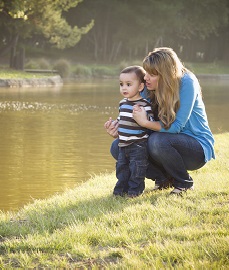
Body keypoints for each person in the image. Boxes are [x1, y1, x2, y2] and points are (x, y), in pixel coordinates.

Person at [105, 47, 215, 195]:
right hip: (162, 142)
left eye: (152, 74)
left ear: (166, 75)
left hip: (195, 147)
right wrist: (120, 131)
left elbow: (176, 127)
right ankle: (163, 179)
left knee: (157, 141)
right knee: (118, 146)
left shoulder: (187, 82)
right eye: (146, 73)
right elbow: (137, 120)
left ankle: (184, 182)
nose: (145, 78)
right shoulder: (147, 86)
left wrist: (145, 123)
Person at [107, 66, 154, 197]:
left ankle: (135, 191)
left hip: (138, 144)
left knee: (137, 168)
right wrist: (114, 125)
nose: (124, 88)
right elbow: (121, 119)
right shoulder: (122, 103)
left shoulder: (144, 105)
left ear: (140, 87)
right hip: (123, 144)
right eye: (121, 84)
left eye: (128, 84)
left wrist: (144, 116)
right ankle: (120, 190)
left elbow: (150, 122)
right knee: (121, 168)